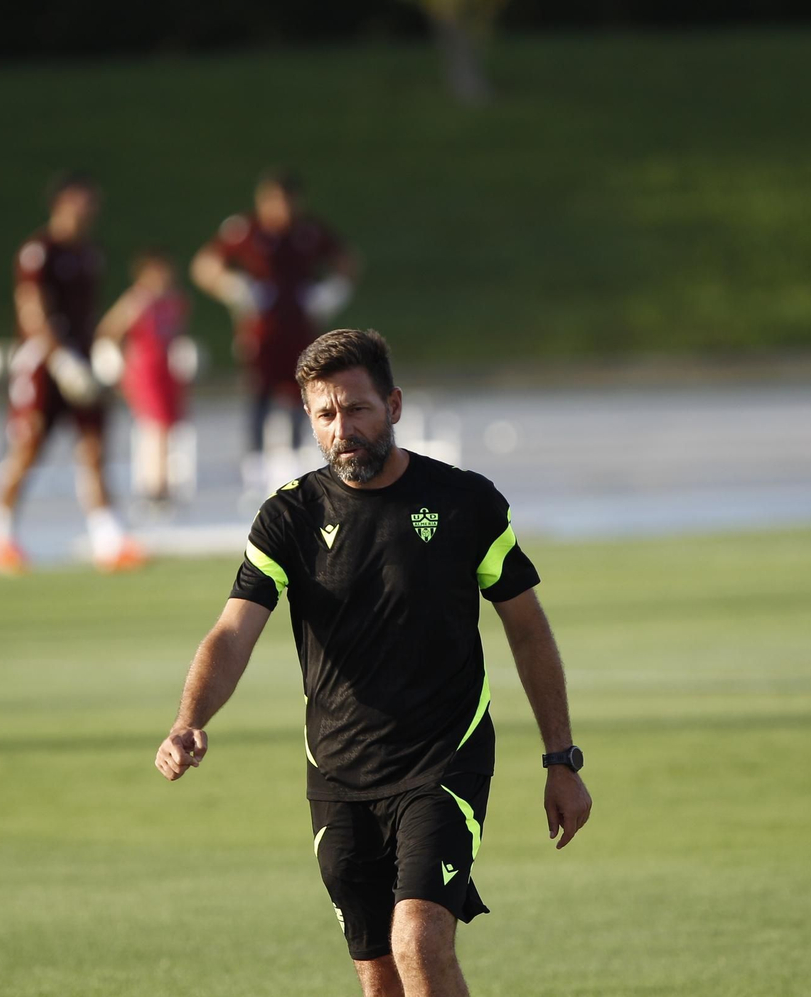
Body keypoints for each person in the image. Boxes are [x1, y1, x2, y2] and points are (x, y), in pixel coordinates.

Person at [155, 329, 592, 997]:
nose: (343, 430)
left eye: (357, 409)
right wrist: (190, 718)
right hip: (338, 773)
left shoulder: (465, 502)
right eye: (325, 415)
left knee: (418, 939)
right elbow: (233, 632)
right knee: (379, 977)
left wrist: (561, 759)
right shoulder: (289, 516)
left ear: (393, 405)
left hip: (443, 760)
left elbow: (528, 630)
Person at [0, 172, 145, 575]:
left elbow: (88, 313)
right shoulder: (40, 251)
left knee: (93, 446)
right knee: (29, 443)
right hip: (44, 361)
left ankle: (108, 537)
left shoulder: (90, 253)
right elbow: (32, 309)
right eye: (82, 202)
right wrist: (60, 360)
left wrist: (98, 356)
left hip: (82, 357)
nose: (88, 211)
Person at [190, 169, 358, 489]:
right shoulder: (246, 229)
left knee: (302, 390)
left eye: (287, 201)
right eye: (274, 201)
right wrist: (234, 287)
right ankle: (255, 462)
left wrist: (330, 292)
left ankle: (294, 456)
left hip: (301, 329)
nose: (281, 209)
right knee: (261, 392)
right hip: (262, 331)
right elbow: (204, 266)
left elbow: (348, 261)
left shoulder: (308, 231)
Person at [94, 249, 192, 507]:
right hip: (144, 370)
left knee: (169, 425)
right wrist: (114, 362)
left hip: (168, 369)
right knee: (154, 425)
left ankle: (165, 480)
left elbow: (177, 334)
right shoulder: (137, 301)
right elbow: (108, 330)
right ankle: (153, 485)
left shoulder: (175, 301)